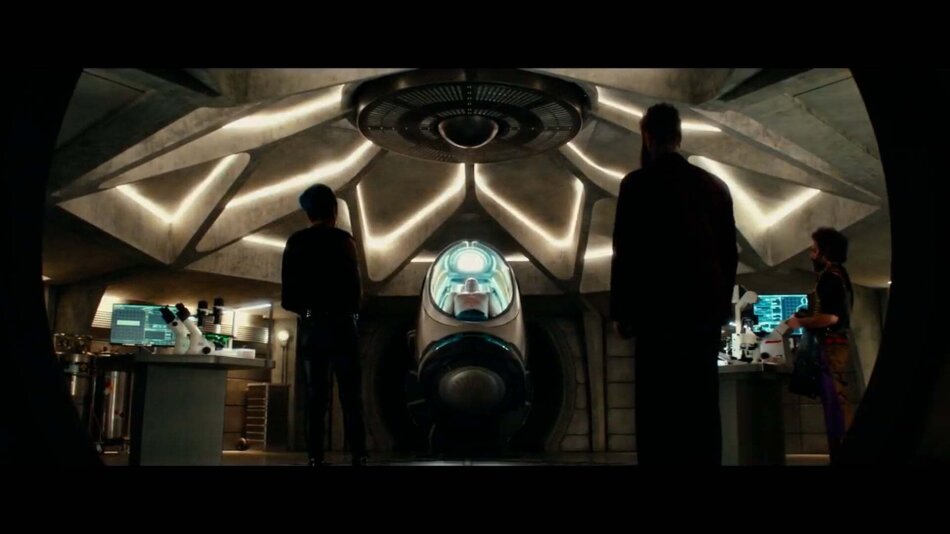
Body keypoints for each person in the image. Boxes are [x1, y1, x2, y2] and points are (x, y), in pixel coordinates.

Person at [610, 103, 738, 466]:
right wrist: (720, 308)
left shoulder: (636, 184)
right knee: (701, 405)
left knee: (657, 409)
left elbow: (626, 252)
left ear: (647, 136)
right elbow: (728, 254)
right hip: (701, 317)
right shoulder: (713, 186)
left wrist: (621, 312)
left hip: (656, 316)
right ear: (679, 137)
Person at [281, 184, 367, 467]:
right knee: (351, 396)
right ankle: (359, 455)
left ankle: (315, 456)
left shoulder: (295, 242)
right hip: (343, 326)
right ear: (334, 211)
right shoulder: (345, 241)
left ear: (308, 213)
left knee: (315, 397)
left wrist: (308, 312)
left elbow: (288, 297)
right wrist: (350, 314)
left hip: (312, 327)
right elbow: (355, 291)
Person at [785, 227, 854, 461]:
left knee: (835, 404)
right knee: (835, 402)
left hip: (830, 347)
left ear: (825, 253)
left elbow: (831, 318)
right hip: (833, 345)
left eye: (814, 250)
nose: (810, 255)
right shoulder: (837, 275)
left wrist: (800, 322)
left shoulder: (830, 278)